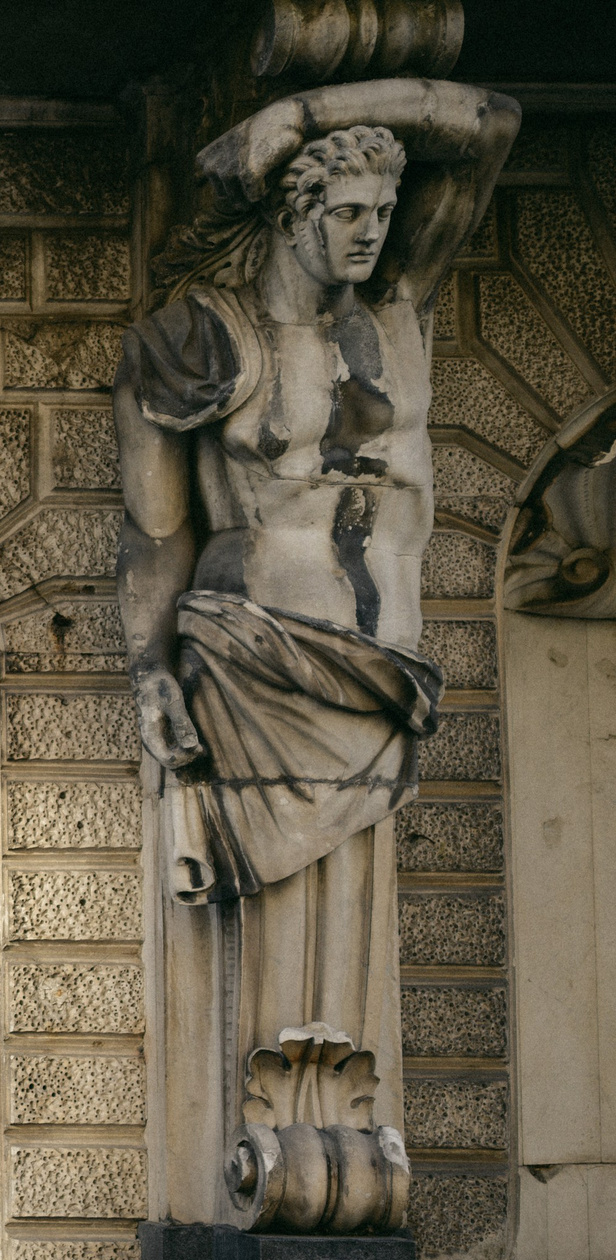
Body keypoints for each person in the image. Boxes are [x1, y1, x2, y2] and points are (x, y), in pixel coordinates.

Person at [114, 78, 516, 1123]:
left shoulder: (397, 310)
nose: (369, 235)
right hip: (257, 664)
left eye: (383, 214)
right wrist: (149, 670)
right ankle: (269, 1146)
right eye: (345, 213)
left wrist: (333, 110)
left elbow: (488, 127)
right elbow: (157, 534)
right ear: (291, 214)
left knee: (350, 946)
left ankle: (330, 1137)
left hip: (382, 675)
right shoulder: (206, 337)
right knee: (275, 950)